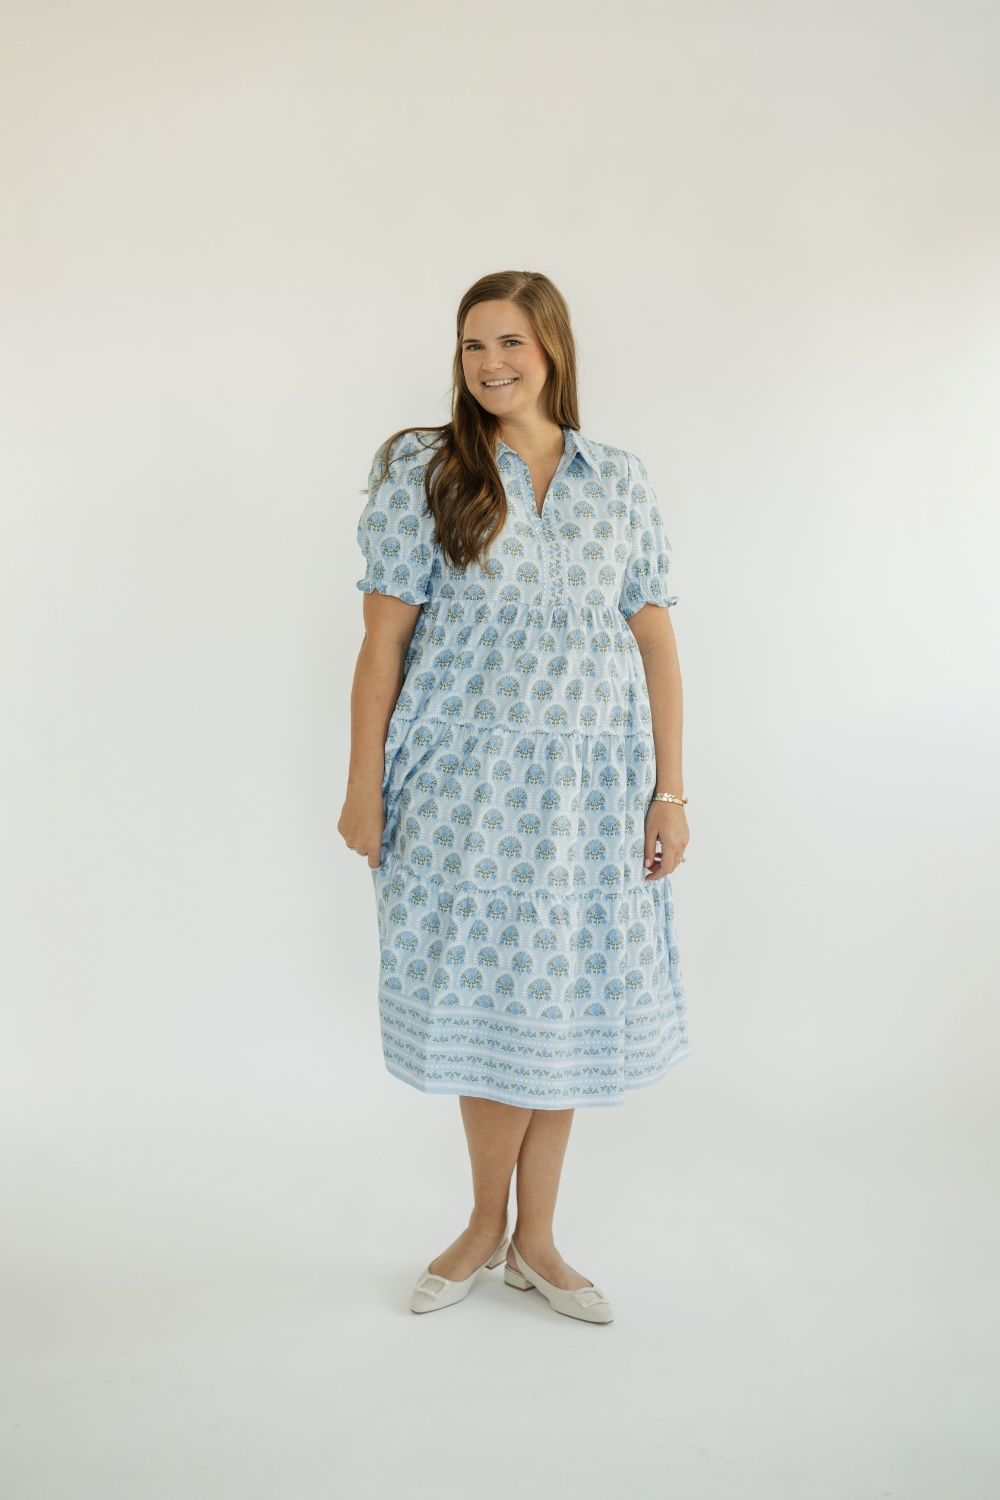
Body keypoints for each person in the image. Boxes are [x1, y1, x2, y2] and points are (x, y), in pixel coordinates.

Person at [338, 270, 690, 1325]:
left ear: (552, 350)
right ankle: (484, 1225)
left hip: (591, 793)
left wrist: (670, 792)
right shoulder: (425, 470)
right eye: (472, 345)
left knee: (563, 1003)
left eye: (510, 344)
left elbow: (656, 641)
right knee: (490, 1003)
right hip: (464, 792)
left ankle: (536, 1242)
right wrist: (363, 787)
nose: (490, 364)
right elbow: (382, 645)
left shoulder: (617, 480)